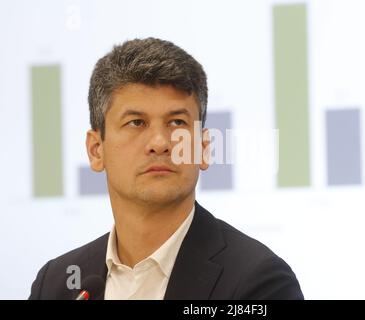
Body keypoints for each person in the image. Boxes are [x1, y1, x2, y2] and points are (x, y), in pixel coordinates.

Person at [28, 37, 304, 300]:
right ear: (96, 150)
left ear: (203, 149)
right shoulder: (56, 283)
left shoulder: (258, 280)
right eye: (136, 122)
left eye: (177, 123)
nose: (160, 143)